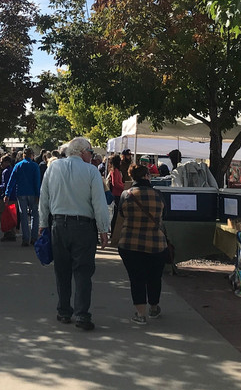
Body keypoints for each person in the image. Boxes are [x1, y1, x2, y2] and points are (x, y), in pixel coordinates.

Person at [38, 136, 111, 331]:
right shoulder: (91, 171)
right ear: (82, 152)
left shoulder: (52, 168)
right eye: (90, 152)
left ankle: (63, 310)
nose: (92, 156)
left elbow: (44, 197)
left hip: (58, 225)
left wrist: (43, 223)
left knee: (61, 270)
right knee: (83, 271)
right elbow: (99, 202)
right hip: (83, 227)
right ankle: (81, 314)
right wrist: (104, 229)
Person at [113, 165, 168, 325]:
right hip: (155, 243)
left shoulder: (126, 194)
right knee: (154, 276)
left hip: (130, 243)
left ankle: (140, 313)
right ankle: (154, 307)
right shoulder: (158, 194)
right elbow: (165, 214)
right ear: (146, 176)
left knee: (136, 278)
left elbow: (122, 214)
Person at [7, 147, 42, 246]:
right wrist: (38, 194)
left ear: (23, 155)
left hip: (21, 192)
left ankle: (25, 238)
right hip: (32, 193)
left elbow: (12, 180)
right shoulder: (35, 166)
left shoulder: (18, 165)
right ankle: (34, 238)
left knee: (23, 216)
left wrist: (7, 193)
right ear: (32, 155)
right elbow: (37, 181)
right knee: (34, 215)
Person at [0, 155, 17, 241]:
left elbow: (6, 184)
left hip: (7, 196)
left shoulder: (5, 171)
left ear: (6, 162)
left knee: (1, 213)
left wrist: (0, 188)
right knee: (11, 214)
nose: (0, 164)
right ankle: (12, 232)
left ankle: (8, 231)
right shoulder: (13, 170)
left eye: (1, 162)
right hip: (14, 195)